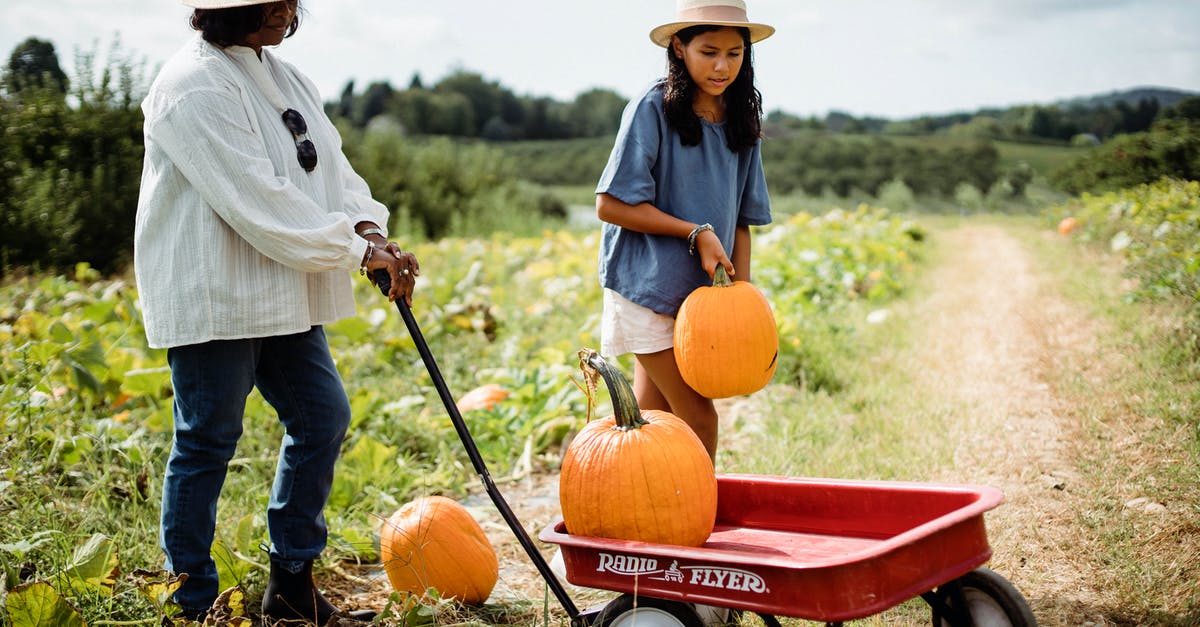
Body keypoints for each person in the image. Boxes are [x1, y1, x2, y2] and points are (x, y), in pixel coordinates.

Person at [133, 0, 416, 622]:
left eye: (291, 0)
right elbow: (258, 199)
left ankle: (290, 584)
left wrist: (370, 228)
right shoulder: (191, 86)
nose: (286, 12)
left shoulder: (285, 76)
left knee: (322, 417)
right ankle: (192, 603)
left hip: (282, 283)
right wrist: (352, 248)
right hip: (217, 288)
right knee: (207, 438)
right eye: (269, 3)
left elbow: (331, 172)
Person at [595, 0, 774, 462]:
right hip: (645, 286)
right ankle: (696, 524)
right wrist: (695, 232)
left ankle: (629, 522)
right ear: (679, 47)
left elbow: (740, 221)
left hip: (699, 303)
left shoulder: (742, 119)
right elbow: (610, 204)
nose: (722, 66)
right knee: (698, 419)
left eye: (734, 54)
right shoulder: (651, 109)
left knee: (650, 426)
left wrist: (743, 297)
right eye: (709, 51)